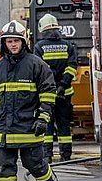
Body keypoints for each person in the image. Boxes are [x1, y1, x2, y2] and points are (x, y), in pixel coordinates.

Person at [0, 21, 58, 181]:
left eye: (16, 41)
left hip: (28, 126)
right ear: (4, 43)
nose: (13, 45)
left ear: (24, 41)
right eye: (9, 41)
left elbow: (48, 92)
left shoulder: (36, 64)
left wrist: (43, 117)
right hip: (4, 127)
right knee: (5, 168)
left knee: (34, 164)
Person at [33, 13, 78, 161]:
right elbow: (72, 67)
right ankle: (66, 156)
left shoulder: (39, 47)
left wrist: (51, 87)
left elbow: (39, 70)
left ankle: (47, 155)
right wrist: (63, 85)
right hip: (65, 93)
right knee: (64, 125)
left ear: (43, 29)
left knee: (47, 123)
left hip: (46, 94)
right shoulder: (68, 45)